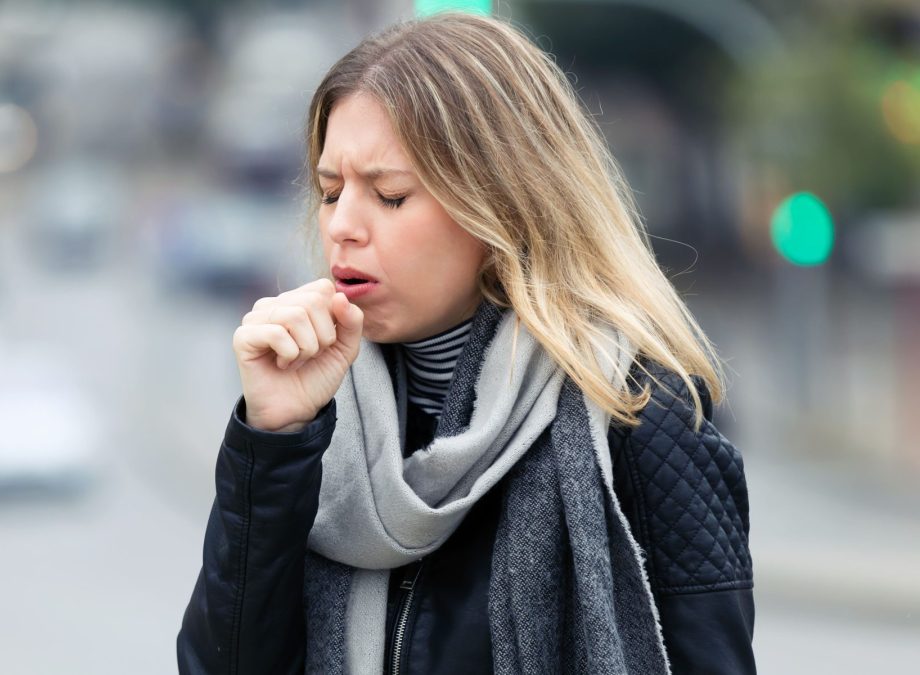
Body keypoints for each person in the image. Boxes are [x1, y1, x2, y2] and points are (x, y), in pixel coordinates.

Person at [177, 12, 754, 675]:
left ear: (502, 203)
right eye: (332, 192)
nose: (342, 226)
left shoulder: (641, 418)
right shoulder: (312, 418)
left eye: (389, 195)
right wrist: (273, 439)